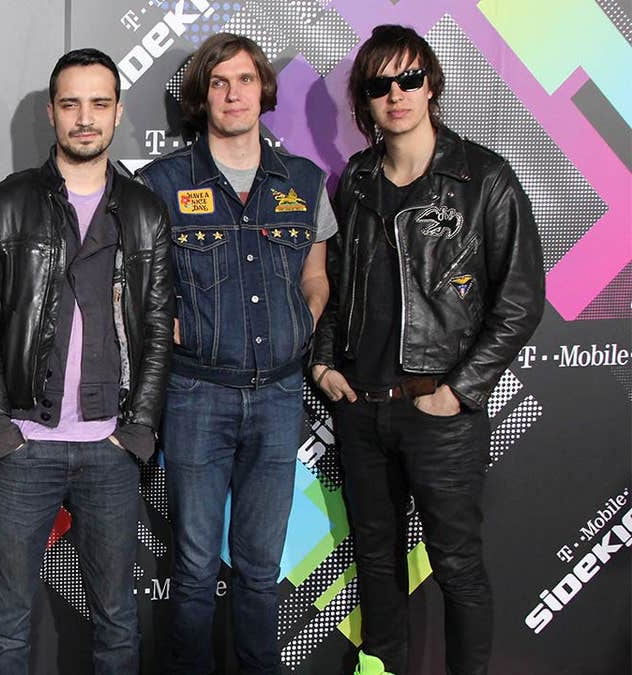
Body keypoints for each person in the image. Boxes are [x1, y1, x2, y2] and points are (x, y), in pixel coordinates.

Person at [310, 24, 544, 675]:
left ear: (431, 84)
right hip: (362, 408)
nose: (397, 94)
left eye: (409, 78)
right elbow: (333, 283)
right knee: (374, 557)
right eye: (380, 84)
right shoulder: (356, 179)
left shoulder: (484, 178)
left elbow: (521, 299)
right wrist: (324, 361)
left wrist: (458, 391)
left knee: (456, 564)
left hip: (438, 413)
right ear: (365, 98)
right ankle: (380, 666)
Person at [0, 48, 174, 674]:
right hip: (26, 445)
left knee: (117, 622)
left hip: (111, 448)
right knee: (6, 624)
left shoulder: (145, 211)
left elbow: (157, 329)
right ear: (51, 113)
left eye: (99, 104)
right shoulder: (6, 203)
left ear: (118, 113)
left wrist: (138, 428)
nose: (85, 118)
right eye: (71, 103)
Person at [136, 33, 336, 675]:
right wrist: (166, 327)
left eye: (245, 79)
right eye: (218, 82)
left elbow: (316, 276)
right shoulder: (160, 184)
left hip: (280, 396)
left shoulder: (303, 181)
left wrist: (300, 323)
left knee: (260, 569)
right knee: (195, 567)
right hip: (195, 395)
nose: (233, 94)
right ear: (202, 96)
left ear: (263, 90)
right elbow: (133, 284)